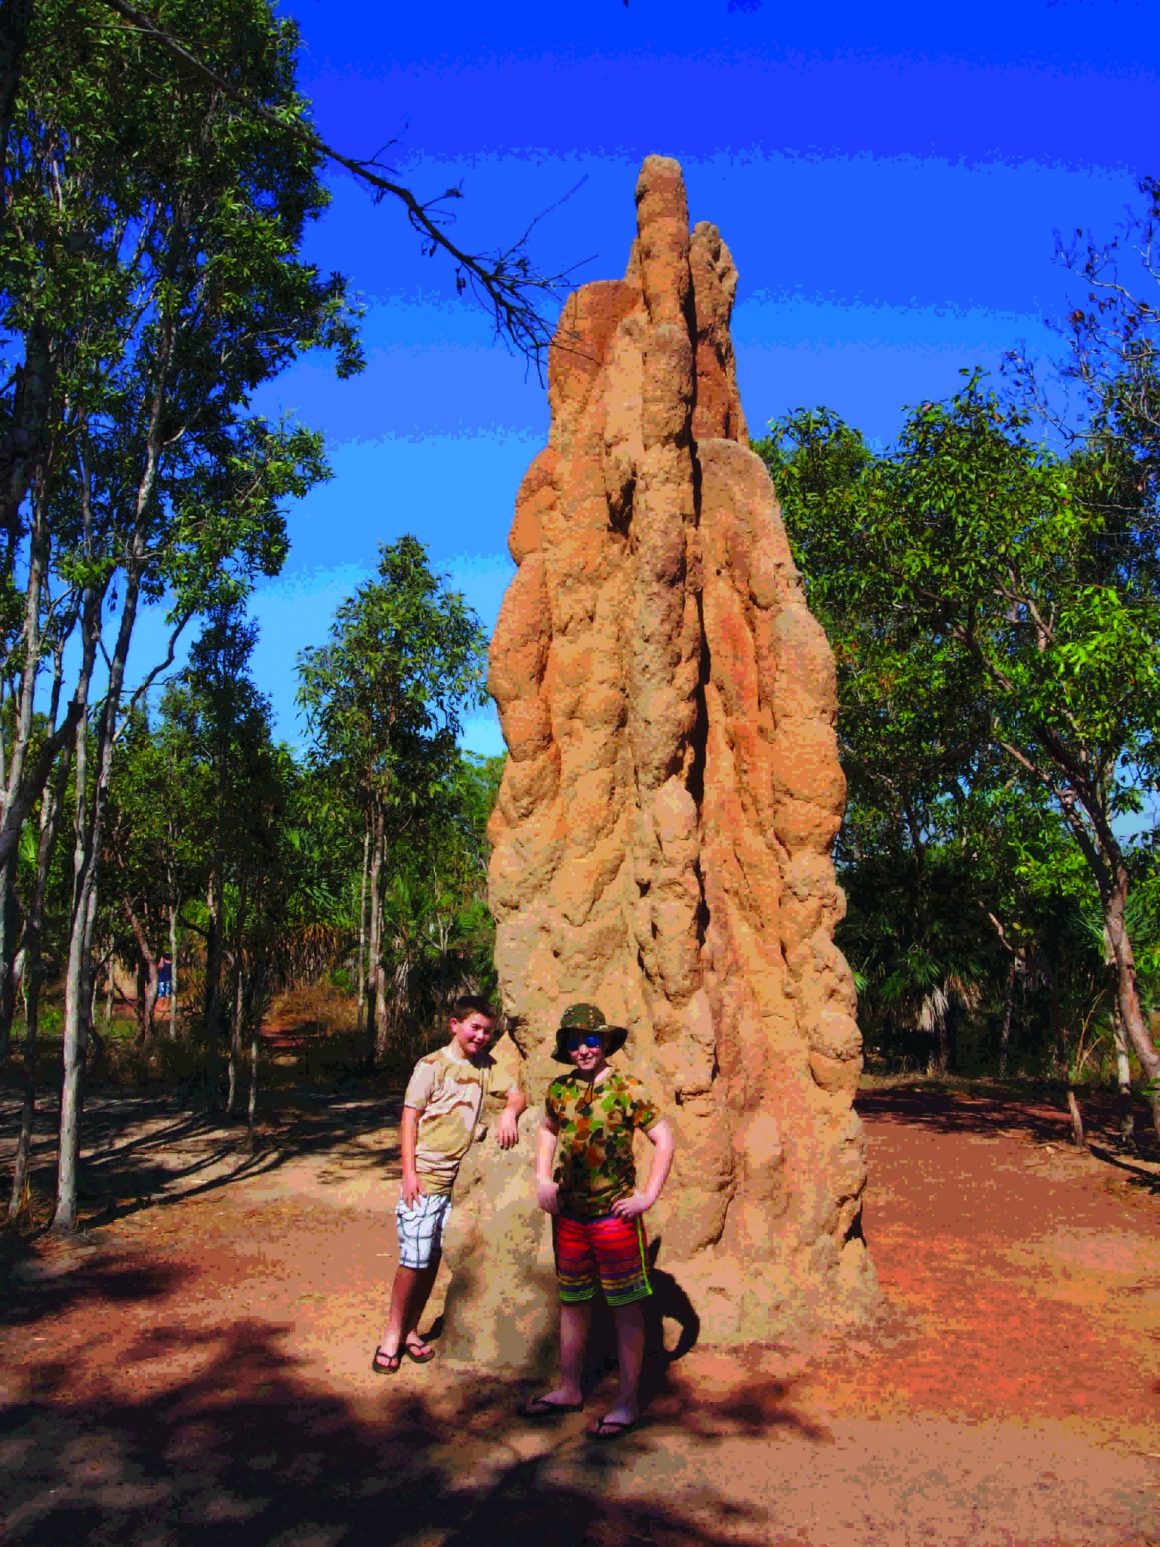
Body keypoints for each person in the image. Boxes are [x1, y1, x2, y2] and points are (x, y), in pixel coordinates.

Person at [524, 1003, 675, 1440]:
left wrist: (647, 1196)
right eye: (574, 1042)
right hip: (569, 1216)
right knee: (572, 1302)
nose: (583, 1049)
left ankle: (627, 1401)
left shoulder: (629, 1088)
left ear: (605, 1043)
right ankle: (570, 1388)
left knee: (626, 1307)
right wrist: (541, 1179)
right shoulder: (560, 1089)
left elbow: (663, 1138)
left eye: (591, 1040)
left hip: (613, 1216)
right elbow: (548, 1129)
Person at [372, 993, 526, 1373]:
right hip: (425, 1180)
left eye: (487, 1031)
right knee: (413, 1261)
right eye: (475, 1028)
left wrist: (509, 1112)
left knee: (432, 1262)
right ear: (455, 1025)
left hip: (455, 1186)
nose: (481, 1036)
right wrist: (409, 1173)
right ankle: (392, 1335)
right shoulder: (432, 1066)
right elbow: (410, 1118)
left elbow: (517, 1093)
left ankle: (411, 1331)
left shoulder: (486, 1067)